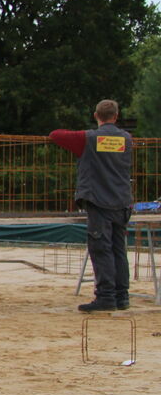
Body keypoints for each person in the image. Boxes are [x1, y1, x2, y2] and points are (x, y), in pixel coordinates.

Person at [49, 100, 134, 312]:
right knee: (118, 250)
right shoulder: (126, 138)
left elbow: (55, 135)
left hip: (98, 201)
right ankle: (121, 296)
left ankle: (105, 297)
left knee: (101, 250)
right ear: (116, 116)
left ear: (96, 115)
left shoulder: (88, 138)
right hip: (122, 201)